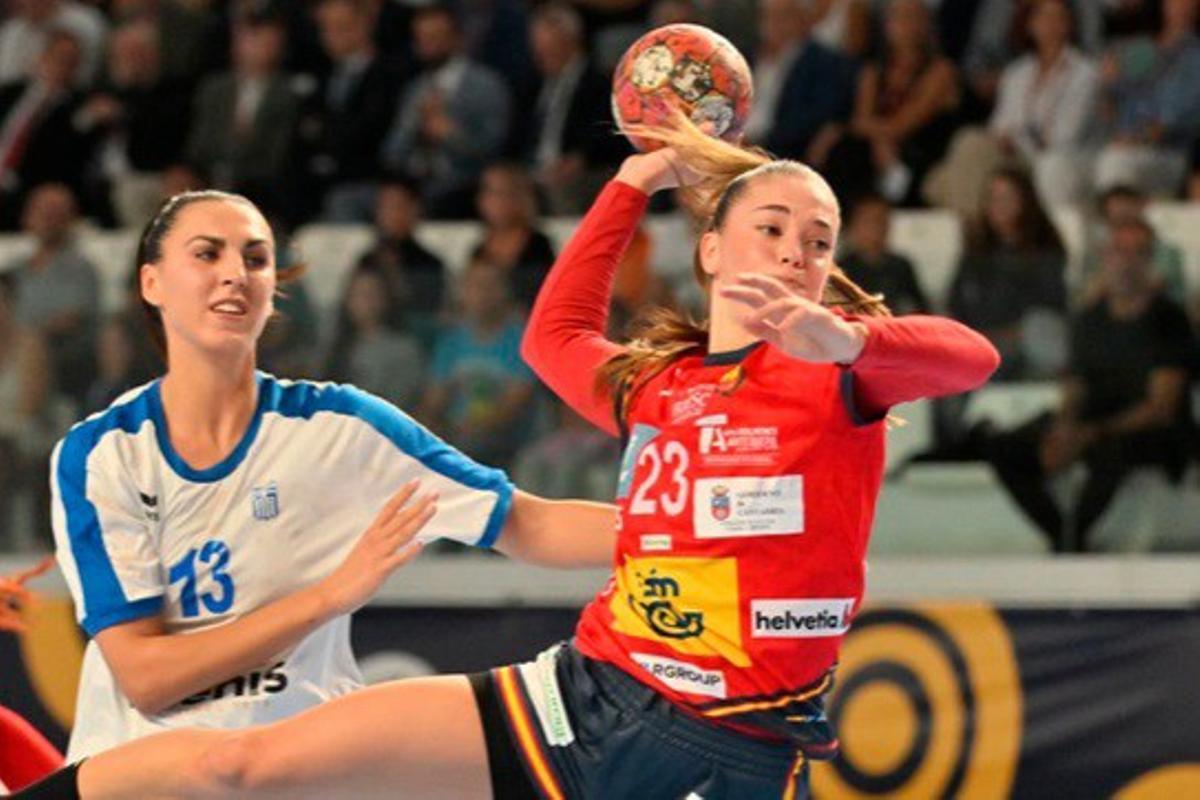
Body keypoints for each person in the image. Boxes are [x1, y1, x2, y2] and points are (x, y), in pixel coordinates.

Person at [14, 121, 998, 800]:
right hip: (583, 690)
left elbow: (971, 356)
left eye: (816, 240)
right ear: (708, 251)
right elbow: (555, 336)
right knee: (240, 765)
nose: (793, 252)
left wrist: (851, 342)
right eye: (771, 228)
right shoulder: (663, 383)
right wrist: (630, 182)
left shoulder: (840, 378)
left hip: (722, 733)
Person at [34, 188, 617, 767]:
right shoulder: (101, 454)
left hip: (301, 770)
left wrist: (690, 531)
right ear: (151, 283)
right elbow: (146, 677)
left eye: (256, 259)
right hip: (145, 774)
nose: (236, 273)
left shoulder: (340, 427)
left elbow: (526, 522)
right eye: (207, 254)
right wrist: (329, 597)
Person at [986, 217, 1194, 553]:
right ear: (1105, 258)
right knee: (1003, 447)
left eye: (1137, 253)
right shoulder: (1090, 319)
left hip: (1148, 431)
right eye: (1119, 252)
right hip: (1094, 420)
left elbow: (1162, 407)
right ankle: (1060, 534)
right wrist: (1064, 427)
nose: (1126, 262)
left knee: (1110, 452)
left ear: (1150, 261)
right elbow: (1076, 387)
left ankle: (1078, 535)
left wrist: (1090, 433)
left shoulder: (1169, 320)